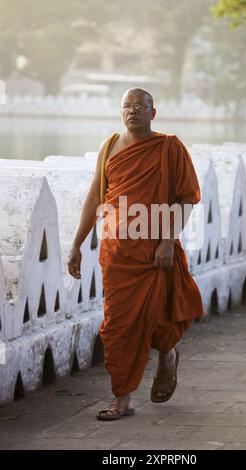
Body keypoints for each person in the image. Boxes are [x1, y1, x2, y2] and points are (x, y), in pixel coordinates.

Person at [67, 88, 204, 421]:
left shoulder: (170, 147)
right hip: (116, 253)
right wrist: (77, 243)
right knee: (118, 326)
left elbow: (187, 197)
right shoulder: (109, 146)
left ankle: (167, 356)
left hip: (155, 249)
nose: (133, 112)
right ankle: (122, 398)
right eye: (127, 106)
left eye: (140, 107)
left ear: (153, 113)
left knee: (158, 316)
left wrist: (168, 241)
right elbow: (93, 198)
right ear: (120, 112)